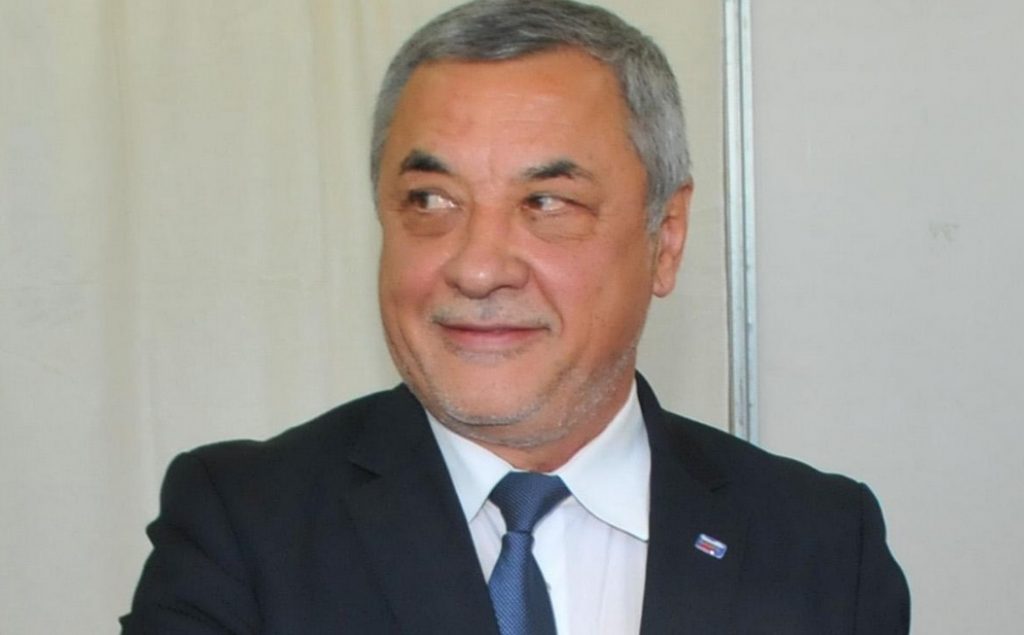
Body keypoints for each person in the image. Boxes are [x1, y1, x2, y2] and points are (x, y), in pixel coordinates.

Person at [121, 0, 910, 633]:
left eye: (546, 203)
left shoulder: (819, 547)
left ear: (665, 239)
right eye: (431, 201)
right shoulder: (244, 527)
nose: (478, 266)